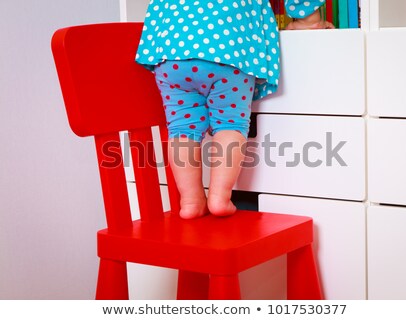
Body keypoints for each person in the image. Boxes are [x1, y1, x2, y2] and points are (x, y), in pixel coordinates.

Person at [136, 0, 333, 219]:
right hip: (229, 47)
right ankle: (220, 197)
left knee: (182, 128)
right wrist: (308, 19)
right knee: (230, 126)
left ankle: (191, 200)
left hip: (171, 51)